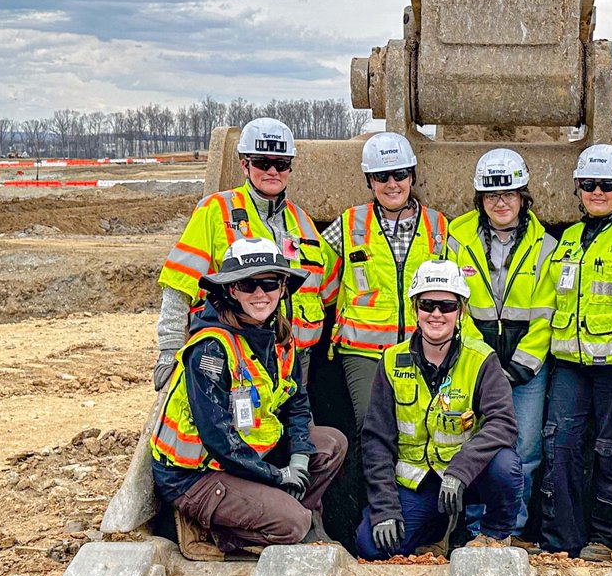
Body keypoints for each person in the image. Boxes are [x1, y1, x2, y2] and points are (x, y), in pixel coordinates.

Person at [150, 238, 348, 553]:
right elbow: (219, 439)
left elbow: (297, 404)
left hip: (249, 457)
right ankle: (221, 533)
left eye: (269, 283)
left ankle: (294, 515)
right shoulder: (210, 349)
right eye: (248, 284)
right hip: (196, 474)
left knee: (330, 444)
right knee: (293, 524)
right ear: (231, 290)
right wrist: (277, 476)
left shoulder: (279, 337)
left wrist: (297, 457)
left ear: (283, 288)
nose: (260, 294)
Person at [354, 260, 522, 559]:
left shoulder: (481, 359)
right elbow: (376, 440)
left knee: (505, 466)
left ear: (460, 311)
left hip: (467, 477)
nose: (436, 314)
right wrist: (385, 509)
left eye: (446, 305)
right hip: (420, 482)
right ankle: (436, 531)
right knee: (371, 546)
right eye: (427, 304)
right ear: (415, 308)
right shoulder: (392, 361)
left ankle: (495, 534)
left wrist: (460, 470)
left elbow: (503, 424)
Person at [155, 117, 328, 386]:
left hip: (293, 361)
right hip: (234, 356)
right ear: (244, 165)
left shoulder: (303, 223)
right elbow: (179, 283)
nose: (273, 171)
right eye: (262, 162)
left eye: (281, 164)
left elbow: (328, 290)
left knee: (295, 427)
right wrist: (169, 348)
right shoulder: (216, 211)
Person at [444, 148, 557, 550]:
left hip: (527, 366)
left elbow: (547, 314)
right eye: (492, 195)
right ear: (480, 200)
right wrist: (485, 364)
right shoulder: (457, 238)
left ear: (524, 196)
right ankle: (477, 532)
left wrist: (520, 368)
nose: (501, 202)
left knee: (525, 449)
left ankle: (510, 530)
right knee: (474, 447)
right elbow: (454, 303)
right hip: (474, 364)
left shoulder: (546, 246)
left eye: (509, 193)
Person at [542, 144, 612, 561]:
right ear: (578, 188)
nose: (597, 192)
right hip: (568, 364)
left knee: (609, 449)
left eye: (606, 185)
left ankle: (603, 537)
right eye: (589, 184)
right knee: (559, 446)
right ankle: (559, 538)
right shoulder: (567, 238)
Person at [319, 132, 448, 429]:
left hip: (422, 345)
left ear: (412, 177)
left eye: (400, 174)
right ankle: (373, 477)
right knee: (371, 422)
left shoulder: (437, 225)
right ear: (370, 182)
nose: (392, 184)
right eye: (381, 176)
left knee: (418, 423)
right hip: (363, 351)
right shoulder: (351, 223)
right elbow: (319, 273)